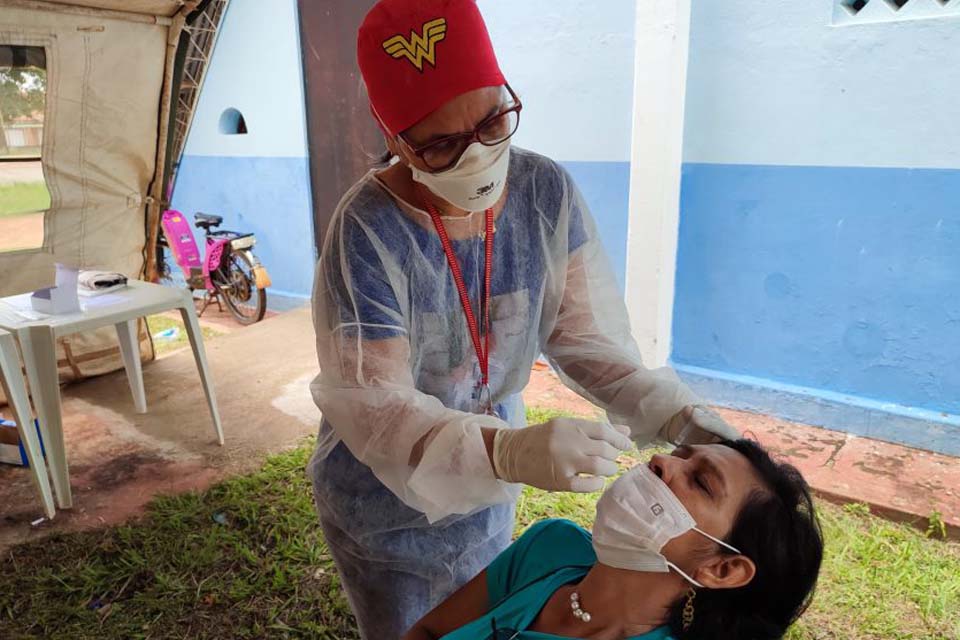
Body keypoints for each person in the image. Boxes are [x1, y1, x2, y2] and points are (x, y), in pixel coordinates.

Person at [308, 0, 740, 636]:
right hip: (387, 492)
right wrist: (506, 450)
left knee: (488, 604)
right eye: (440, 146)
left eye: (493, 121)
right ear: (395, 139)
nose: (477, 156)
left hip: (491, 477)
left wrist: (674, 413)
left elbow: (587, 341)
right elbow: (377, 406)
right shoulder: (368, 229)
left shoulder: (544, 193)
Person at [402, 440, 824, 640]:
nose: (662, 462)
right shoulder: (551, 546)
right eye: (679, 453)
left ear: (721, 568)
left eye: (700, 481)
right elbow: (427, 631)